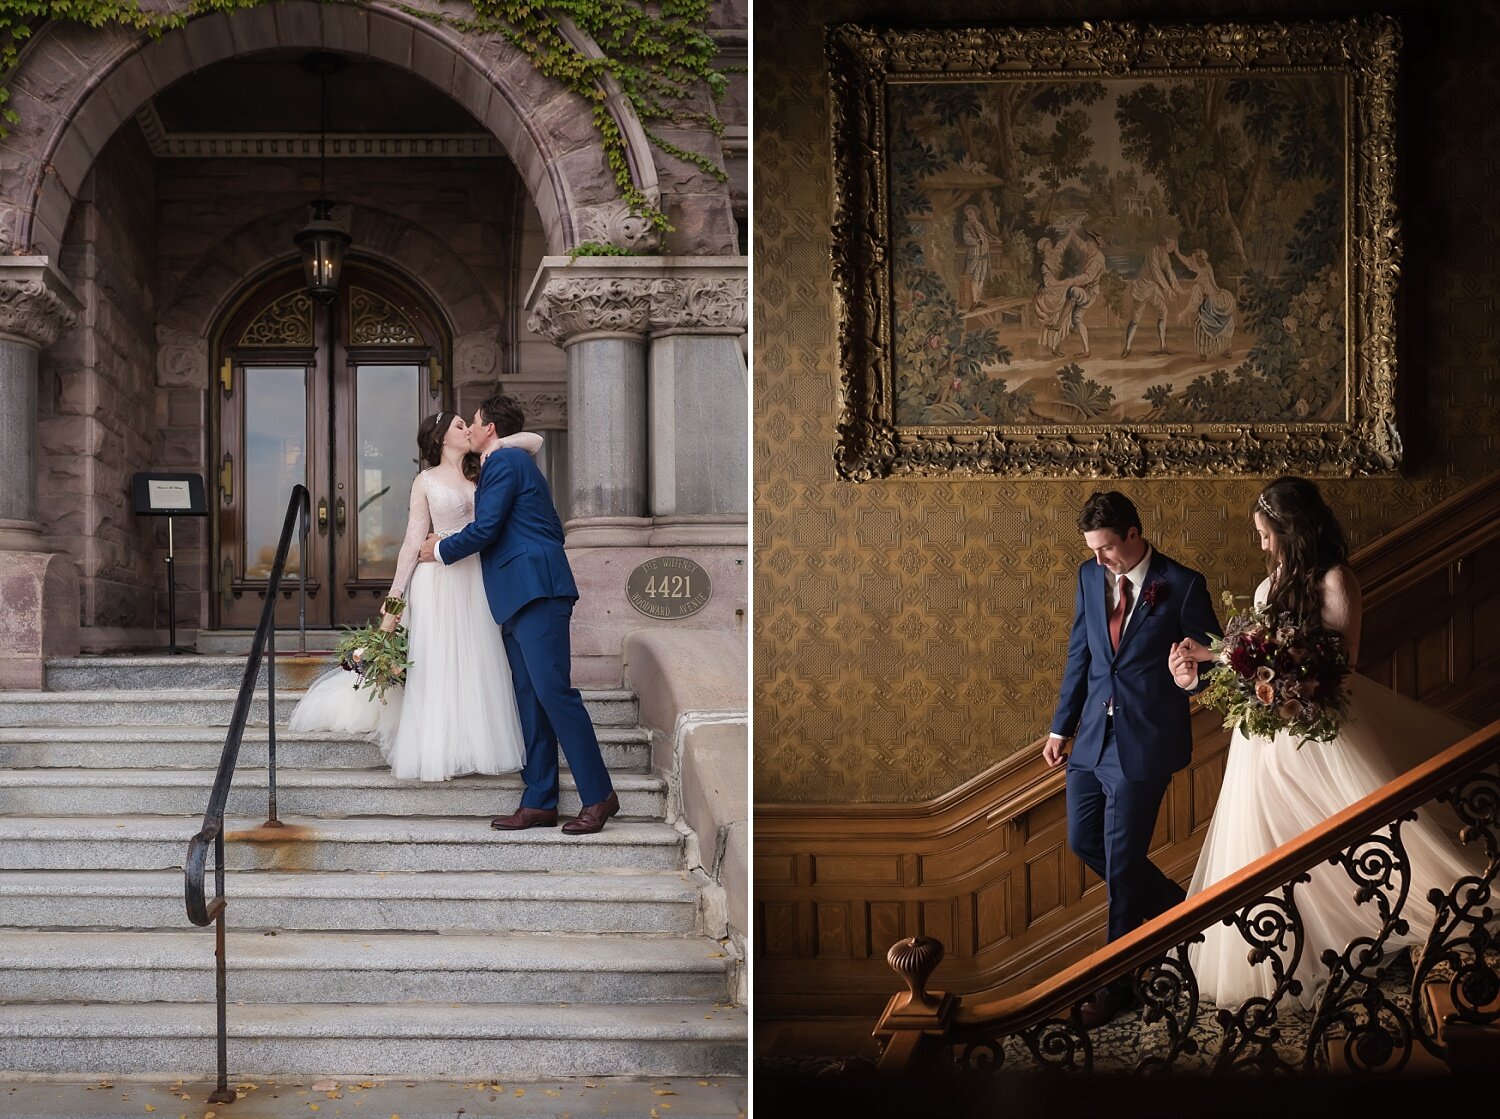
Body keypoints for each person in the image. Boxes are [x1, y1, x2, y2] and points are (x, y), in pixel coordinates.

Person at [1170, 477, 1486, 1009]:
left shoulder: (1336, 581)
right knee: (1267, 842)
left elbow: (1340, 667)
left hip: (1318, 730)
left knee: (1340, 835)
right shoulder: (1272, 582)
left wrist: (1286, 675)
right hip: (1263, 738)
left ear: (1291, 531)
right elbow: (1256, 652)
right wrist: (1207, 659)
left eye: (1266, 534)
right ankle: (1280, 957)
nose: (1262, 545)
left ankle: (1351, 935)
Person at [1046, 491, 1221, 1027]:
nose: (1100, 561)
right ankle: (1178, 913)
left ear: (1133, 534)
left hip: (1145, 744)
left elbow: (1211, 659)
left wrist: (1192, 677)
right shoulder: (1087, 576)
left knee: (1123, 866)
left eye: (1107, 550)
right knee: (1083, 841)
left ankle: (1116, 984)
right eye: (1092, 551)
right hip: (1091, 739)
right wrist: (1060, 726)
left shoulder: (1183, 584)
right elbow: (1082, 652)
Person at [288, 413, 541, 781]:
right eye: (459, 426)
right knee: (438, 664)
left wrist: (496, 442)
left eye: (467, 424)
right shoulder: (425, 482)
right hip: (438, 582)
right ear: (440, 438)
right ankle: (439, 747)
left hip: (476, 577)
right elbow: (411, 543)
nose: (466, 429)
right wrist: (394, 602)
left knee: (478, 660)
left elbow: (534, 441)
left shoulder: (485, 469)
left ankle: (477, 741)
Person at [417, 392, 618, 835]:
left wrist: (441, 548)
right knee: (531, 701)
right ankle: (540, 801)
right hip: (516, 594)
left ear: (490, 428)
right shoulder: (505, 464)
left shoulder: (505, 463)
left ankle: (599, 795)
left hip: (536, 592)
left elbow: (487, 528)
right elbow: (544, 525)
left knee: (555, 695)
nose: (467, 428)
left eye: (473, 421)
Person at [1121, 234, 1182, 358]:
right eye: (1172, 244)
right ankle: (1127, 347)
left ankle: (1163, 345)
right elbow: (1156, 273)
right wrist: (1167, 289)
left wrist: (1177, 288)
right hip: (1142, 289)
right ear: (1166, 242)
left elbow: (1169, 272)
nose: (1174, 247)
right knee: (1135, 320)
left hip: (1153, 289)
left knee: (1163, 312)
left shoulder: (1165, 256)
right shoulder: (1152, 251)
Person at [1174, 246, 1236, 360]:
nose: (1189, 261)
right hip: (1222, 299)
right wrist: (1177, 253)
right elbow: (1189, 263)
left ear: (1196, 261)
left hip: (1213, 304)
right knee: (1225, 324)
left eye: (1192, 259)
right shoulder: (1207, 266)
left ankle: (1203, 354)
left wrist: (1182, 314)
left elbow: (1194, 305)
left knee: (1200, 324)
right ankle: (1227, 350)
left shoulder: (1198, 283)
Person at [1057, 230, 1107, 358]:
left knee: (1072, 291)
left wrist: (1071, 281)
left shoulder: (1097, 260)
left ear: (1096, 244)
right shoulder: (1089, 250)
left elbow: (1087, 278)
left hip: (1089, 293)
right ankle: (1086, 351)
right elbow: (1080, 244)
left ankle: (1059, 324)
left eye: (1090, 240)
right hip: (1084, 289)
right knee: (1076, 319)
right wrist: (1072, 233)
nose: (1087, 242)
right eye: (1088, 240)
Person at [1032, 232, 1073, 356]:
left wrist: (1070, 234)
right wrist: (1065, 283)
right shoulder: (1044, 266)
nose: (1050, 250)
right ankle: (1054, 347)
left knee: (1066, 310)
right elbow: (1050, 283)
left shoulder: (1055, 257)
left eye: (1051, 247)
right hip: (1050, 295)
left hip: (1058, 292)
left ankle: (1057, 342)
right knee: (1057, 316)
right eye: (1047, 249)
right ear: (1042, 251)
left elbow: (1061, 245)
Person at [961, 204, 994, 310]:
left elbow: (984, 239)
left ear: (975, 213)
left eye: (970, 213)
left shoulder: (979, 225)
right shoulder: (967, 225)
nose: (969, 216)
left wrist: (987, 243)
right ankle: (974, 301)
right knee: (975, 277)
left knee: (982, 277)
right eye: (967, 215)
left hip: (984, 254)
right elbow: (967, 239)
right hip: (975, 254)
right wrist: (976, 241)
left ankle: (978, 300)